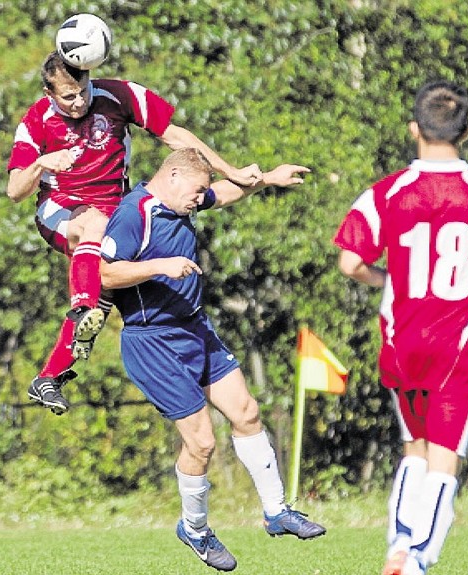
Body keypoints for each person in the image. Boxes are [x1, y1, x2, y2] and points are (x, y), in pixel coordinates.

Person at [333, 81, 468, 575]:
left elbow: (348, 262)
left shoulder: (387, 192)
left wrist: (390, 279)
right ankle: (418, 557)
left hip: (402, 343)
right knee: (446, 458)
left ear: (413, 129)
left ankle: (397, 546)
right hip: (458, 347)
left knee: (414, 451)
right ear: (465, 131)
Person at [99, 148, 326, 572]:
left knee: (246, 412)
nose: (199, 199)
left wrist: (269, 179)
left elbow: (222, 192)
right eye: (195, 190)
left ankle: (276, 512)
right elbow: (106, 274)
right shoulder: (134, 214)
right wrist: (159, 266)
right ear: (172, 175)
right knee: (202, 442)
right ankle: (196, 529)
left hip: (194, 328)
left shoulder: (182, 198)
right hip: (153, 342)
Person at [7, 51, 262, 415]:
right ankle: (82, 308)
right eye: (68, 97)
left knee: (117, 283)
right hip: (61, 210)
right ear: (49, 94)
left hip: (114, 209)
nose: (79, 102)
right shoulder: (36, 120)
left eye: (82, 91)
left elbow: (178, 137)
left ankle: (50, 376)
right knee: (92, 230)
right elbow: (15, 190)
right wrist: (41, 163)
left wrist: (232, 170)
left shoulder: (119, 95)